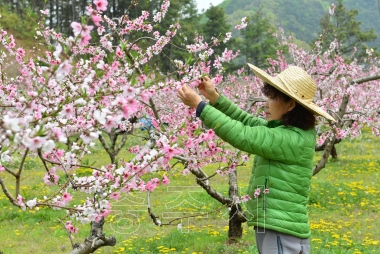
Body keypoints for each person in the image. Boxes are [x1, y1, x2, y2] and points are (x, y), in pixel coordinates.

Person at [177, 63, 335, 254]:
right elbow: (247, 122)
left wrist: (200, 106)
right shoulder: (287, 131)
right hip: (275, 224)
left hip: (281, 230)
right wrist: (214, 98)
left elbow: (244, 135)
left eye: (272, 98)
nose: (266, 103)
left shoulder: (292, 138)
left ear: (291, 104)